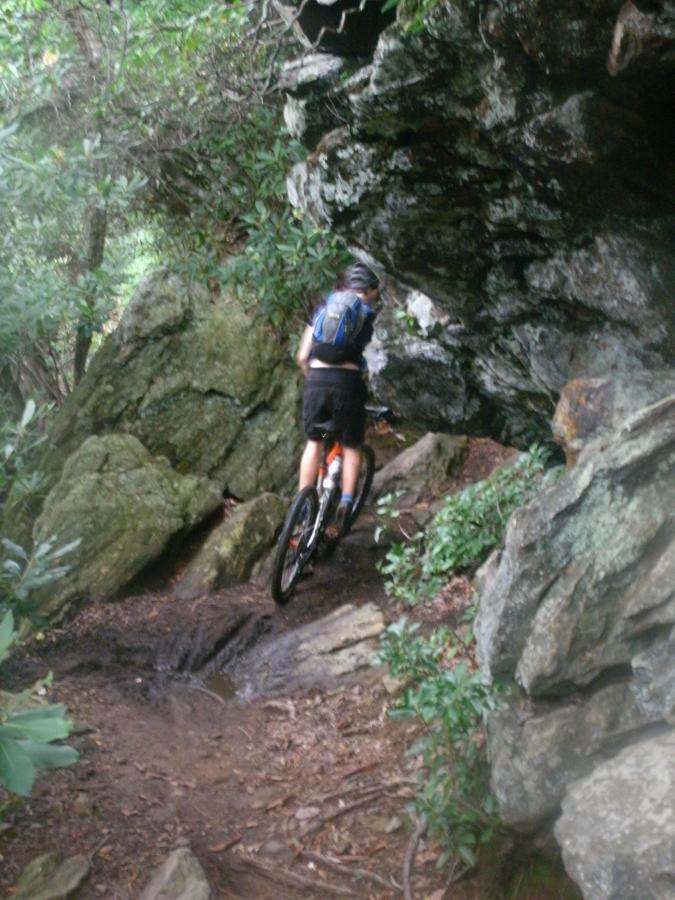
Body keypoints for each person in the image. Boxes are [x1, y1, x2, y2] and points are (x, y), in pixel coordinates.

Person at [296, 262, 380, 535]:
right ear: (368, 290)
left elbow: (301, 356)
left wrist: (313, 375)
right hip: (347, 384)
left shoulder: (324, 308)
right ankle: (345, 502)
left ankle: (303, 507)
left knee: (314, 442)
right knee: (352, 445)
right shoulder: (367, 315)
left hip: (316, 381)